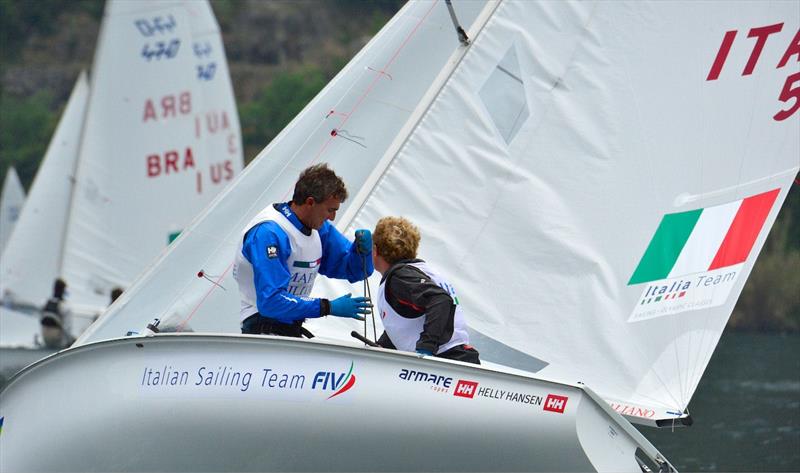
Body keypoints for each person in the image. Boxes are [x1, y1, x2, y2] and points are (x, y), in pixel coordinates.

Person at [234, 163, 373, 337]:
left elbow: (355, 271)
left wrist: (362, 253)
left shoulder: (319, 229)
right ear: (310, 202)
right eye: (330, 210)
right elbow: (271, 301)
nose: (332, 217)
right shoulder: (269, 234)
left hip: (292, 329)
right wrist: (327, 307)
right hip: (262, 328)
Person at [372, 216, 480, 364]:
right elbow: (407, 320)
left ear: (375, 250)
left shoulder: (399, 277)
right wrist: (382, 347)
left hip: (445, 362)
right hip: (459, 359)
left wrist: (426, 348)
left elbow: (440, 300)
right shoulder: (422, 271)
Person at [40, 278, 74, 349]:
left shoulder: (44, 303)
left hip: (45, 338)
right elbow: (67, 328)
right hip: (59, 343)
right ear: (64, 290)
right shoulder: (66, 307)